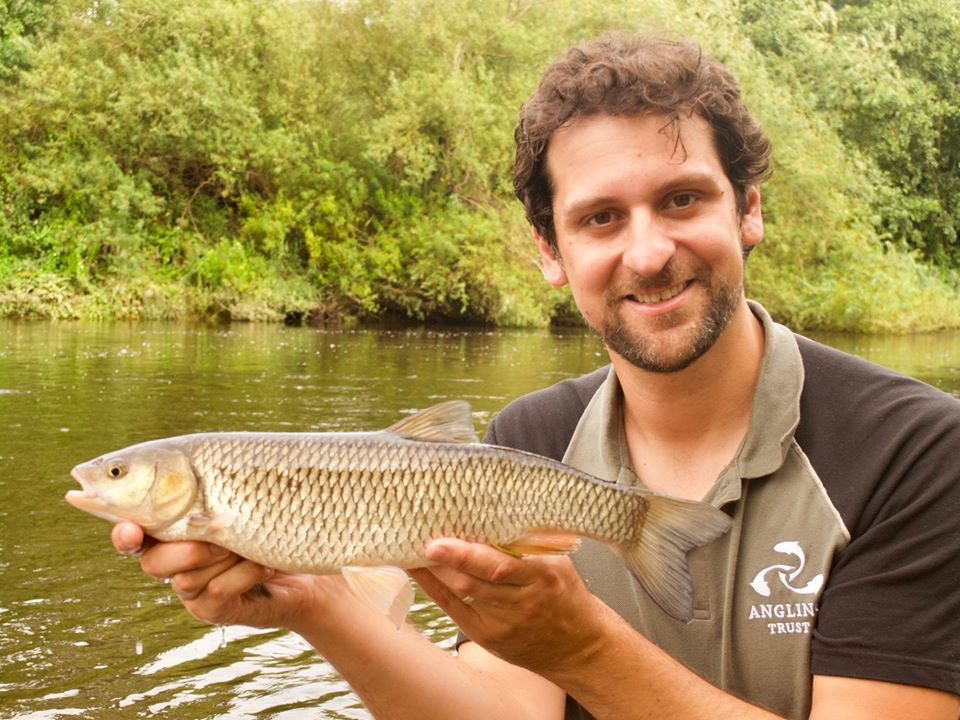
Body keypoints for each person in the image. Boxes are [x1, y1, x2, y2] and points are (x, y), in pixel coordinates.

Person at [110, 33, 960, 719]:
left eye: (682, 199)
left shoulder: (915, 452)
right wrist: (313, 602)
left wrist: (583, 647)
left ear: (749, 208)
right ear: (551, 253)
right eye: (601, 218)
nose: (648, 252)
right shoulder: (530, 442)